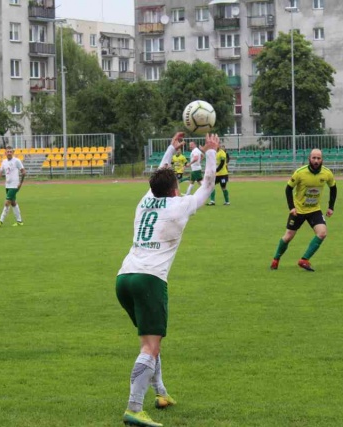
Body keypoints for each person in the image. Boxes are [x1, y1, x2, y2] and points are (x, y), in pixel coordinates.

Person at [116, 131, 219, 427]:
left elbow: (158, 178)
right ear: (175, 188)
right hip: (149, 280)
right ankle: (134, 408)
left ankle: (161, 393)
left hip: (124, 278)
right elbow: (207, 185)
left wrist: (170, 150)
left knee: (149, 340)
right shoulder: (179, 205)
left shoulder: (144, 202)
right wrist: (211, 151)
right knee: (150, 347)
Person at [270, 148, 337, 272]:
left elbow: (333, 188)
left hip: (314, 210)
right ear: (309, 158)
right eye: (314, 158)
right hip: (298, 210)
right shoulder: (300, 173)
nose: (316, 161)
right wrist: (291, 207)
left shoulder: (327, 173)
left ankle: (304, 260)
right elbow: (288, 189)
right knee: (288, 237)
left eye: (318, 158)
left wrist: (331, 207)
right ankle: (276, 259)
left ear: (322, 159)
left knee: (322, 233)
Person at [0, 146, 26, 226]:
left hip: (14, 185)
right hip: (8, 185)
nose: (9, 153)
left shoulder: (17, 161)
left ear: (13, 152)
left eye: (10, 152)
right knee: (13, 202)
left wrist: (20, 183)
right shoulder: (4, 162)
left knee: (7, 202)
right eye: (7, 152)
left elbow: (23, 172)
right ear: (5, 153)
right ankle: (20, 221)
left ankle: (0, 221)